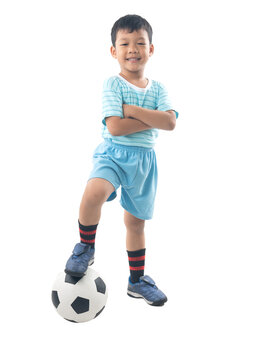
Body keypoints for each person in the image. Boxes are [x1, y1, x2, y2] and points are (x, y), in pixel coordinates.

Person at [65, 14, 178, 306]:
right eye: (125, 43)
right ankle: (86, 247)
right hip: (113, 154)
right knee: (93, 194)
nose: (133, 49)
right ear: (114, 51)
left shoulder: (158, 89)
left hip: (144, 163)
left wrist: (134, 111)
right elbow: (114, 127)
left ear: (151, 49)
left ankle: (136, 281)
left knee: (136, 224)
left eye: (140, 43)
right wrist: (154, 119)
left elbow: (170, 123)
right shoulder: (113, 85)